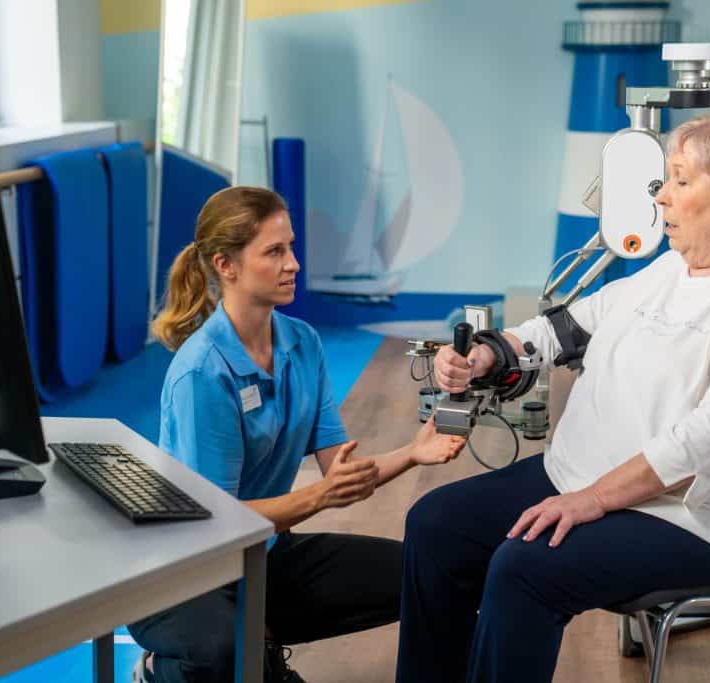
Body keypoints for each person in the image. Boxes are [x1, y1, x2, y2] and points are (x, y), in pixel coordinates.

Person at [396, 107, 710, 682]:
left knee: (525, 568)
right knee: (436, 524)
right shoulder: (671, 270)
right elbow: (566, 327)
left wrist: (595, 500)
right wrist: (490, 353)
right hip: (583, 477)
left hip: (702, 518)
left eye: (680, 180)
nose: (661, 198)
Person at [128, 186, 466, 683]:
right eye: (274, 251)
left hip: (258, 554)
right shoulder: (202, 373)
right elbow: (215, 523)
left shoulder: (302, 344)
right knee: (221, 648)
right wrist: (319, 498)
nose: (293, 264)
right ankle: (166, 671)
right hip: (180, 574)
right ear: (226, 265)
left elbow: (340, 474)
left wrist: (413, 454)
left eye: (291, 248)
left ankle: (259, 642)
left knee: (423, 576)